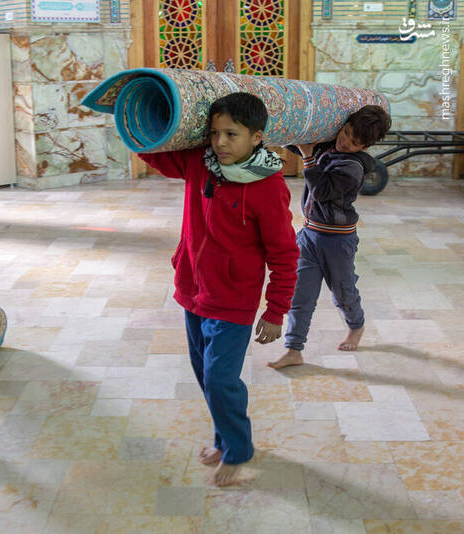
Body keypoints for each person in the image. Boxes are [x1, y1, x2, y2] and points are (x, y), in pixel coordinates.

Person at [139, 92, 299, 486]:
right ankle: (222, 436)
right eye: (214, 133)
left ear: (257, 137)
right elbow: (153, 152)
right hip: (193, 289)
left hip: (234, 300)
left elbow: (284, 253)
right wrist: (138, 112)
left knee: (219, 379)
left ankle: (237, 449)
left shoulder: (267, 187)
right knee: (203, 372)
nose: (221, 143)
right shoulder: (200, 163)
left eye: (233, 134)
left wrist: (276, 311)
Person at [268, 105, 391, 370]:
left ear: (365, 147)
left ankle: (356, 325)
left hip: (338, 242)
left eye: (354, 142)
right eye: (345, 133)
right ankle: (293, 349)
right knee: (300, 294)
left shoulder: (353, 167)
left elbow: (322, 191)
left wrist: (308, 157)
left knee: (343, 293)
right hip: (309, 236)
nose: (345, 142)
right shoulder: (328, 146)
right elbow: (297, 144)